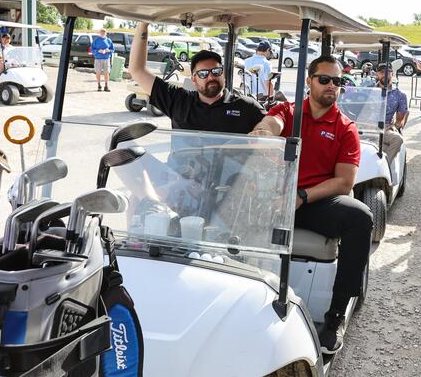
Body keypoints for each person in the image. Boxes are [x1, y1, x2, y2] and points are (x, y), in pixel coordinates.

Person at [250, 55, 373, 355]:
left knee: (361, 218)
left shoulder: (345, 128)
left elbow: (344, 181)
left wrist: (302, 196)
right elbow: (272, 123)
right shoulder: (289, 112)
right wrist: (263, 133)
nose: (332, 86)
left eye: (337, 81)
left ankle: (335, 316)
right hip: (277, 197)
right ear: (309, 81)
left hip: (315, 202)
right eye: (324, 79)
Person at [129, 21, 265, 132]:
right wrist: (143, 24)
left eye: (216, 71)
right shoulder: (178, 101)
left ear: (223, 74)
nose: (211, 77)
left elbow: (271, 127)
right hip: (182, 160)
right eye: (203, 74)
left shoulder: (246, 106)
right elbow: (137, 70)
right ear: (194, 79)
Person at [375, 63, 408, 163]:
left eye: (387, 72)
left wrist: (395, 125)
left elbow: (400, 119)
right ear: (377, 74)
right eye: (381, 72)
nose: (384, 75)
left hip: (385, 127)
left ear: (392, 74)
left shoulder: (400, 95)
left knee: (398, 139)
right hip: (366, 127)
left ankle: (384, 166)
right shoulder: (368, 90)